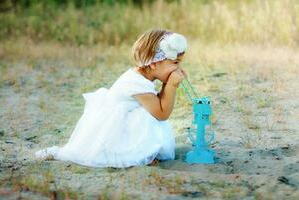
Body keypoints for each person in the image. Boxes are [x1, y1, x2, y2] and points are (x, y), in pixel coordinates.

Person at [35, 28, 188, 168]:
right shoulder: (136, 83)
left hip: (123, 125)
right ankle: (138, 155)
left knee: (147, 113)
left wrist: (167, 85)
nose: (178, 68)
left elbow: (160, 104)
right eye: (175, 63)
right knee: (146, 116)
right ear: (154, 64)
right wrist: (171, 86)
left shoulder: (143, 77)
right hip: (114, 132)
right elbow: (161, 113)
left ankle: (145, 154)